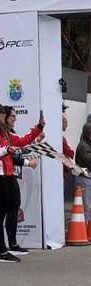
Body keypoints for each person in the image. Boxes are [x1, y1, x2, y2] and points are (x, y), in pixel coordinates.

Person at [0, 106, 44, 263]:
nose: (13, 118)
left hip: (9, 175)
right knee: (1, 213)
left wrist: (38, 129)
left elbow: (22, 142)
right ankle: (2, 249)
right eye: (8, 115)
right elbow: (7, 151)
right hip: (1, 176)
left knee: (13, 207)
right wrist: (6, 150)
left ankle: (11, 244)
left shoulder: (7, 133)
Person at [62, 105, 74, 177]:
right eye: (64, 121)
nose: (67, 124)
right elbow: (70, 153)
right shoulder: (60, 138)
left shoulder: (61, 137)